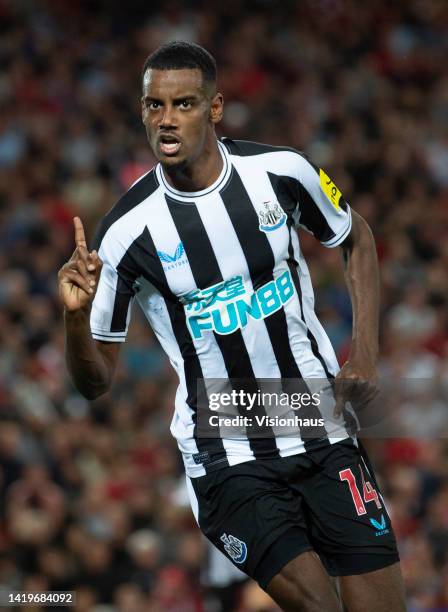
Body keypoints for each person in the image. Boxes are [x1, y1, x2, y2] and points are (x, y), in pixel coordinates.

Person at [58, 41, 406, 611]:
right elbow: (94, 382)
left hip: (319, 422)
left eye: (184, 103)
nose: (166, 119)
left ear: (215, 108)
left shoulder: (281, 173)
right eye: (154, 106)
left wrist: (364, 353)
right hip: (227, 451)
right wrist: (74, 319)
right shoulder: (124, 234)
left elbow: (357, 236)